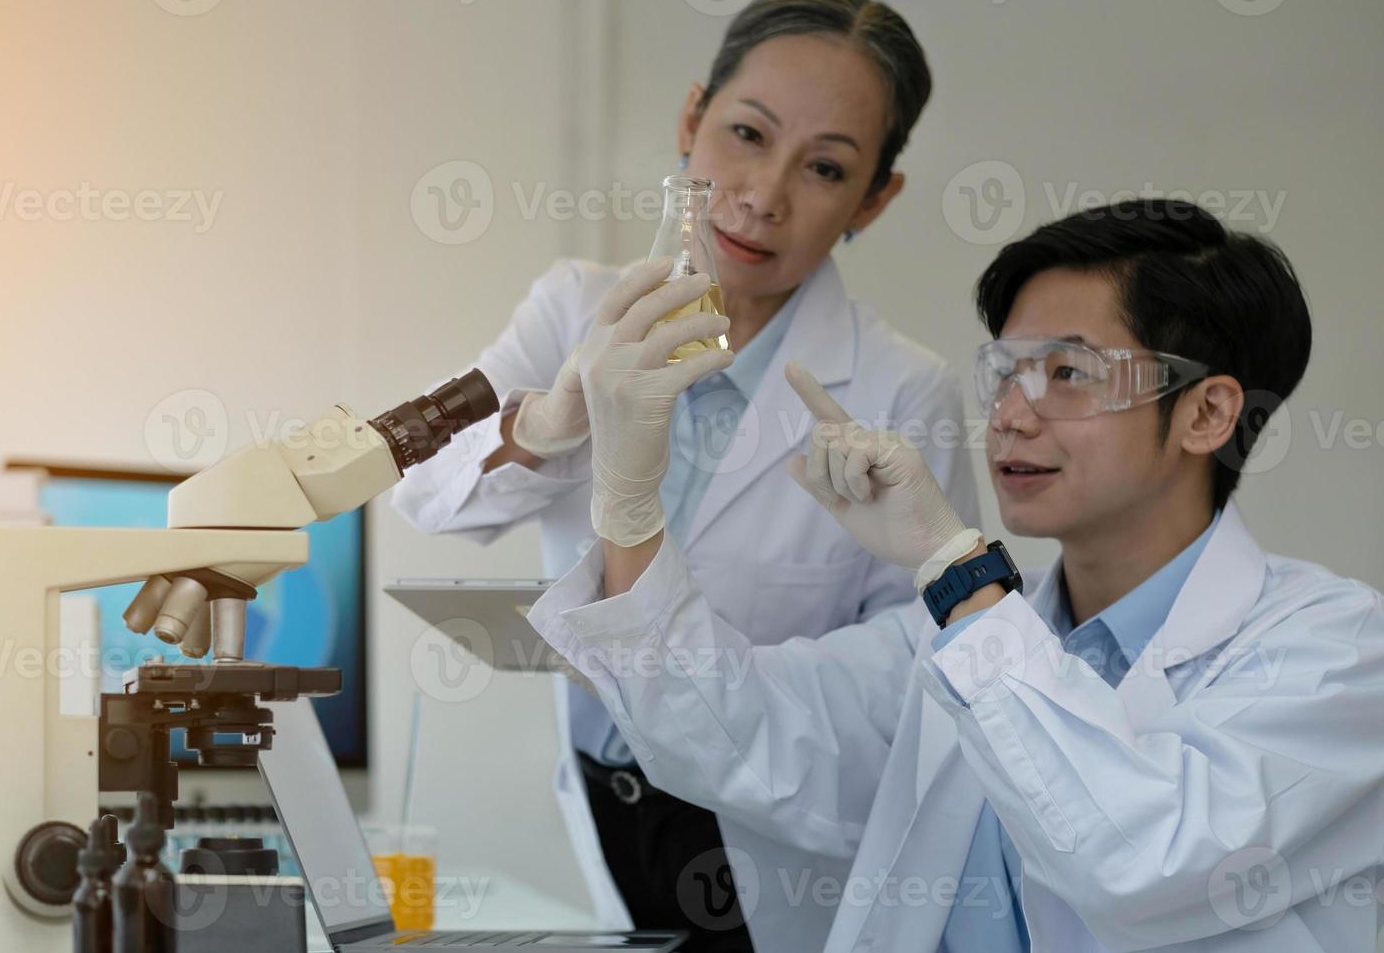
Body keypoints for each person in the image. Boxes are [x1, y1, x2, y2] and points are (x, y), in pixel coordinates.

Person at [529, 200, 1384, 950]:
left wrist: (956, 571)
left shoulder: (1335, 654)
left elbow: (1144, 858)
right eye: (1007, 371)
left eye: (1069, 374)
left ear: (1207, 412)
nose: (1011, 414)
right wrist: (631, 499)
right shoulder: (946, 642)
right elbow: (722, 726)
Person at [392, 0, 979, 951]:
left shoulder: (900, 389)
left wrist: (706, 681)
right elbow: (424, 488)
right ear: (690, 117)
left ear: (873, 198)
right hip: (601, 796)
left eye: (824, 167)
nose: (763, 194)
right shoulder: (574, 308)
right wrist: (541, 423)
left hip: (763, 831)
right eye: (745, 133)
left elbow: (905, 683)